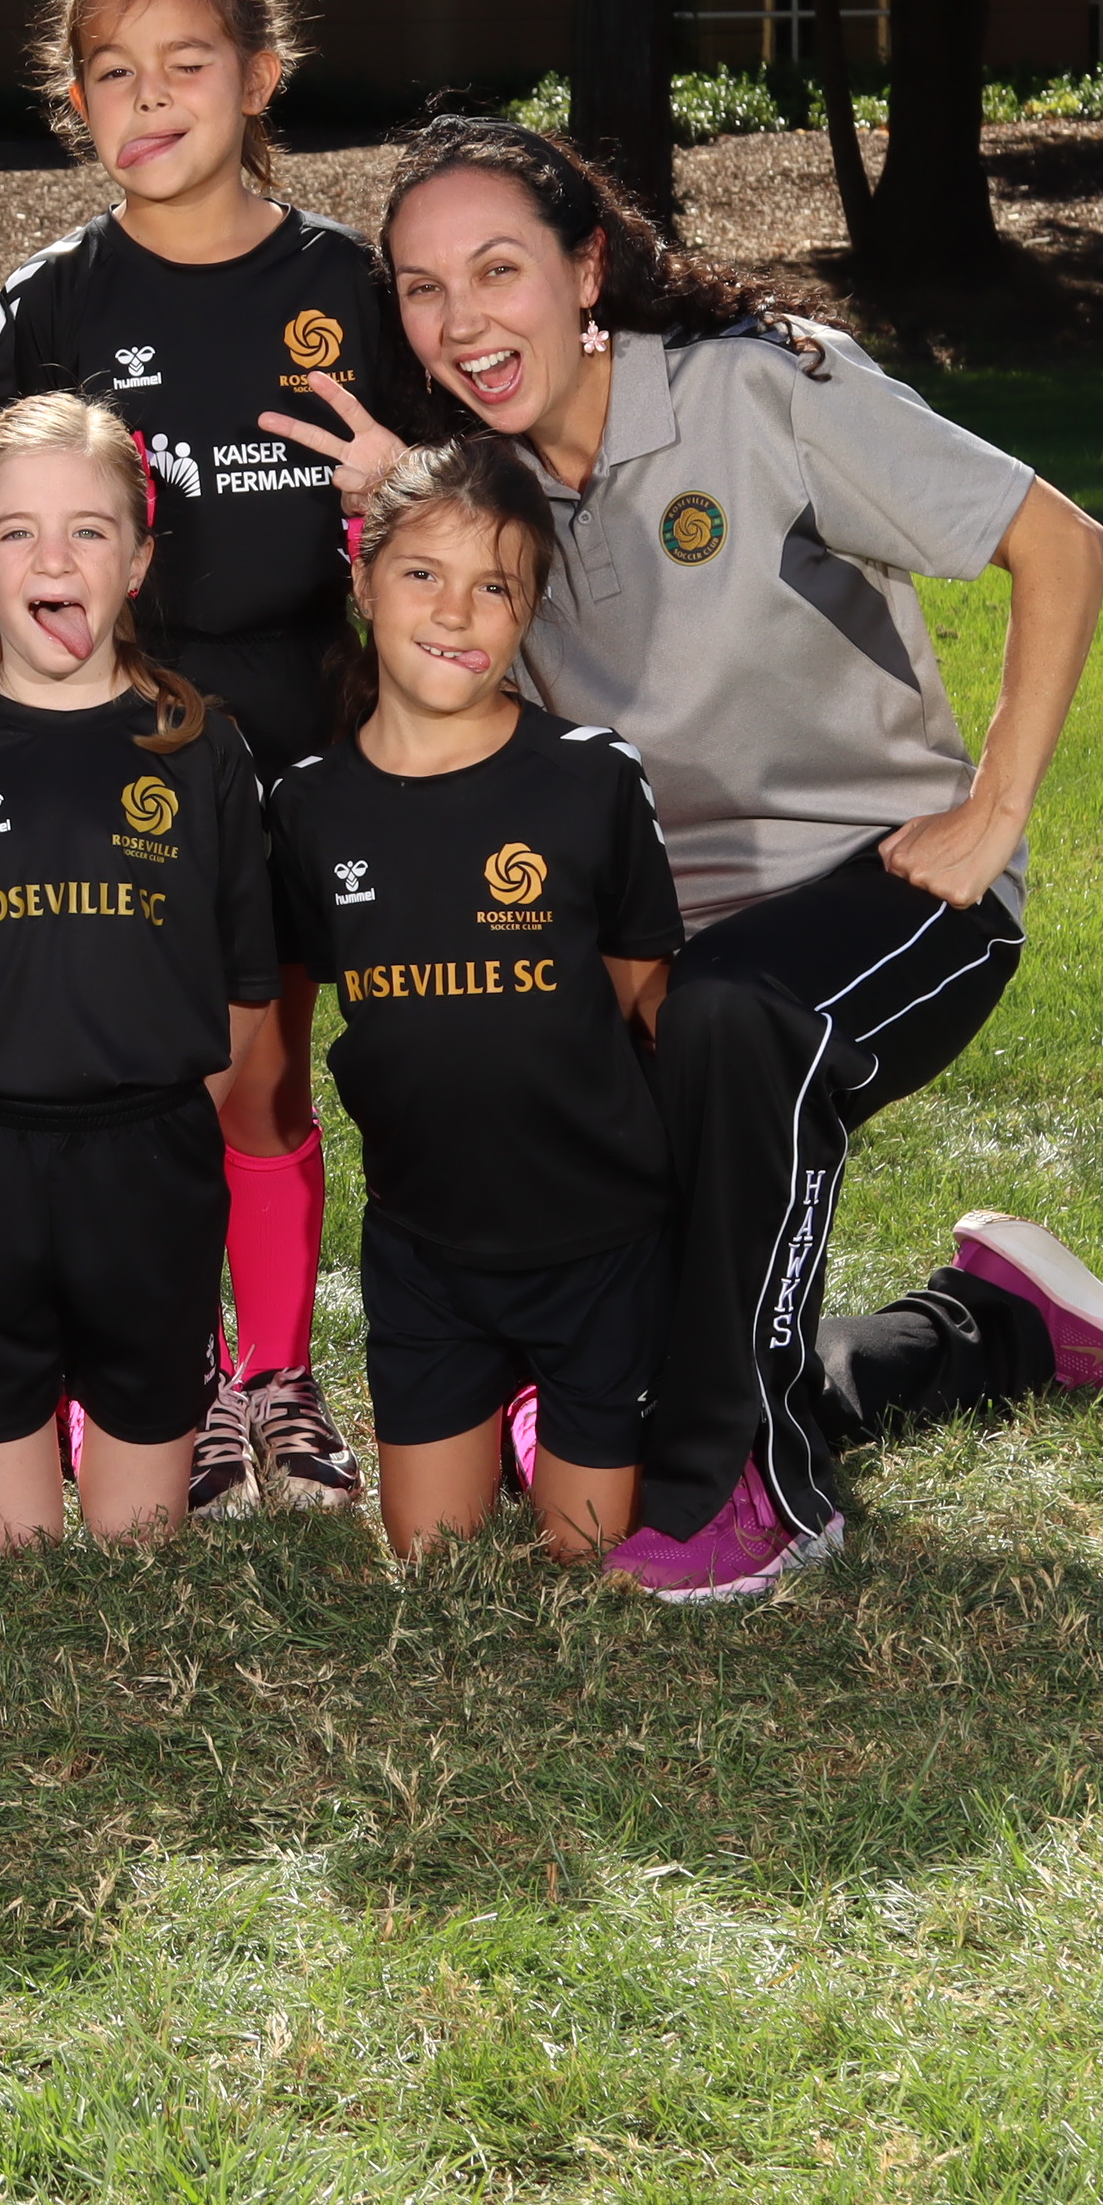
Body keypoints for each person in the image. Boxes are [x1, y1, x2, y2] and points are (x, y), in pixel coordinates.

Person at [270, 117, 1103, 1606]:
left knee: (734, 1018)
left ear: (587, 268)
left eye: (498, 270)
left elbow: (1060, 541)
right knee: (669, 1303)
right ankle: (1002, 1325)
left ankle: (751, 1483)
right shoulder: (482, 496)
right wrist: (411, 506)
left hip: (889, 895)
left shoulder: (762, 389)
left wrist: (992, 815)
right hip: (672, 950)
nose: (461, 320)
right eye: (423, 290)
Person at [0, 0, 396, 1522]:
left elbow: (446, 507)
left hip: (302, 728)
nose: (148, 99)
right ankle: (171, 1374)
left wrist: (396, 494)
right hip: (124, 744)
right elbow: (3, 548)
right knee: (148, 1076)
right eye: (112, 73)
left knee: (266, 1067)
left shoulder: (348, 286)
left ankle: (277, 1381)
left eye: (186, 66)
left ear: (262, 77)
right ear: (75, 100)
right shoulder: (55, 302)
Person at [0, 393, 281, 1548]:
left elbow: (246, 983)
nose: (53, 559)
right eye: (16, 531)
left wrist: (156, 1109)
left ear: (137, 560)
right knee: (12, 1562)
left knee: (137, 1552)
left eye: (88, 529)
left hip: (151, 1163)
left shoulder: (201, 747)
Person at [271, 436, 682, 1566]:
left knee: (585, 1554)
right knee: (432, 1560)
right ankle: (502, 1406)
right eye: (422, 574)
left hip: (598, 1248)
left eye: (494, 586)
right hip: (427, 1253)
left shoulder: (592, 780)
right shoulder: (307, 809)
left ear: (529, 611)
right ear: (362, 578)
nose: (454, 612)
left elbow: (640, 1002)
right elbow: (302, 1020)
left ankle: (553, 1404)